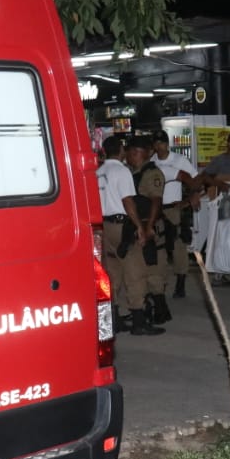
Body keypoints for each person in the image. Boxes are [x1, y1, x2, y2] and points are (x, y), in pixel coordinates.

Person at [95, 137, 162, 335]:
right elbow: (128, 202)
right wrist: (139, 226)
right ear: (121, 150)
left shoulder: (98, 172)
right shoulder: (121, 171)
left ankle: (113, 321)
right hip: (122, 227)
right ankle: (139, 321)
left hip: (103, 226)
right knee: (135, 273)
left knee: (111, 274)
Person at [125, 136, 171, 326]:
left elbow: (156, 201)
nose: (129, 156)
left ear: (142, 152)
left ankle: (160, 308)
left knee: (153, 266)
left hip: (149, 224)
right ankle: (156, 307)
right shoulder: (132, 171)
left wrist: (150, 226)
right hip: (139, 224)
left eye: (132, 152)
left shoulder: (151, 173)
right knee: (146, 266)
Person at [150, 131, 198, 299]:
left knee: (178, 247)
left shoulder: (179, 160)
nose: (158, 146)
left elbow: (194, 179)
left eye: (161, 143)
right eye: (156, 143)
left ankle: (180, 283)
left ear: (166, 143)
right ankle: (160, 282)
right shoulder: (152, 162)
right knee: (160, 245)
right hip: (157, 209)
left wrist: (190, 199)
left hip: (174, 208)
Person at [199, 131, 230, 285]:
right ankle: (218, 274)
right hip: (223, 202)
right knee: (221, 234)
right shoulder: (220, 160)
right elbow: (205, 176)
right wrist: (220, 184)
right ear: (229, 143)